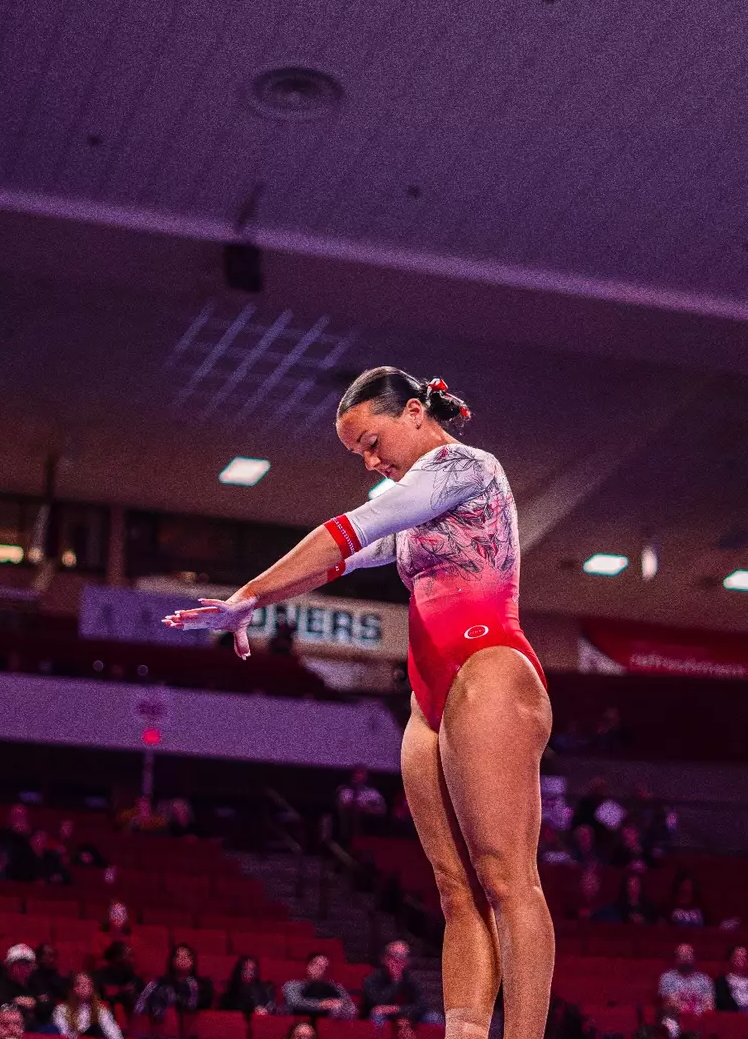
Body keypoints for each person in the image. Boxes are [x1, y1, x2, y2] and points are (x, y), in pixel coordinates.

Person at [166, 369, 551, 1039]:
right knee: (457, 892)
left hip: (489, 666)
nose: (371, 463)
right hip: (430, 693)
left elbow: (349, 527)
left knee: (506, 878)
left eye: (372, 443)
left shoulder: (466, 468)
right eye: (359, 454)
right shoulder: (419, 509)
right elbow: (333, 563)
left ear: (413, 413)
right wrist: (252, 605)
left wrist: (246, 591)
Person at [362, 941, 435, 1025]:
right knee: (377, 1016)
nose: (398, 961)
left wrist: (396, 1009)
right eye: (394, 956)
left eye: (403, 957)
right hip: (383, 1016)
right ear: (386, 959)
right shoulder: (372, 979)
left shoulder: (411, 979)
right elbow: (376, 1004)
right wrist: (395, 981)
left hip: (404, 1013)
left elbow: (422, 1005)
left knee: (434, 1018)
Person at [134, 944, 213, 1020]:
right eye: (179, 956)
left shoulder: (202, 984)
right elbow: (145, 997)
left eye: (187, 956)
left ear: (193, 961)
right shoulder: (161, 982)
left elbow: (196, 1006)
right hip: (164, 1022)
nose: (183, 959)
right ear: (173, 961)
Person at [280, 952, 356, 1019]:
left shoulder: (335, 987)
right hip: (299, 1023)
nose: (322, 970)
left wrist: (339, 1004)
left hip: (328, 1023)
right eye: (318, 966)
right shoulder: (292, 985)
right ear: (308, 967)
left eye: (325, 967)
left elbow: (350, 1006)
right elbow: (295, 1002)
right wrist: (321, 1004)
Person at [0, 945, 44, 1031]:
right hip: (4, 1027)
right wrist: (16, 1002)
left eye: (27, 964)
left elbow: (47, 1004)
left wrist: (35, 1003)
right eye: (19, 964)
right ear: (10, 966)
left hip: (32, 1027)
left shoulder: (37, 983)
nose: (24, 968)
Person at [54, 971, 124, 1039]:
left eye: (88, 984)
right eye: (80, 984)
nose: (84, 987)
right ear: (74, 988)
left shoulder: (101, 1011)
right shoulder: (61, 1010)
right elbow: (63, 1034)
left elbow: (114, 1033)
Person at [657, 944, 713, 1016]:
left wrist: (698, 1016)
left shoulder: (704, 979)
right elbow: (671, 1003)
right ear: (676, 959)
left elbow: (709, 1004)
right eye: (682, 955)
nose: (685, 958)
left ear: (694, 958)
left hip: (700, 1018)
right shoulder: (668, 978)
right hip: (676, 1017)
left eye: (688, 955)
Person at [93, 941, 141, 1017]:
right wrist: (120, 990)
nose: (132, 960)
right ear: (117, 958)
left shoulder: (133, 978)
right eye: (129, 956)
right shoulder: (99, 976)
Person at [713, 946, 748, 1014]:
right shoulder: (723, 981)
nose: (743, 959)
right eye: (739, 956)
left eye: (745, 957)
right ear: (731, 959)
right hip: (739, 1012)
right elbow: (723, 1002)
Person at [593, 872, 659, 925]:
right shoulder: (618, 906)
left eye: (635, 885)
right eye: (630, 886)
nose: (633, 889)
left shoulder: (649, 906)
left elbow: (656, 922)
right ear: (626, 887)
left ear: (641, 886)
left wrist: (643, 921)